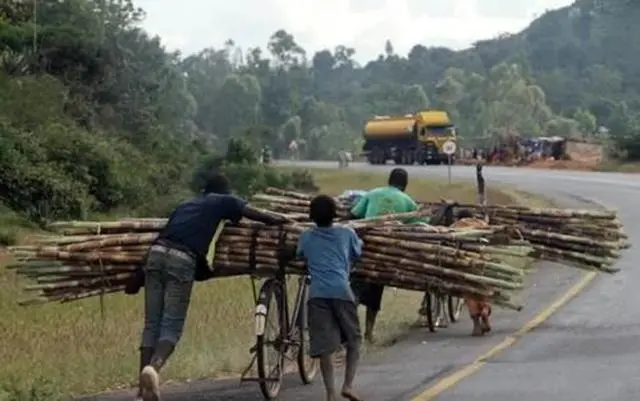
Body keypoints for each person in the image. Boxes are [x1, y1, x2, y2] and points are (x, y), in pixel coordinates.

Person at [135, 173, 288, 401]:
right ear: (224, 192)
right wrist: (281, 221)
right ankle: (153, 369)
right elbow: (256, 214)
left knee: (151, 324)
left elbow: (172, 234)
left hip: (155, 256)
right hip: (181, 260)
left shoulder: (186, 204)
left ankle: (141, 390)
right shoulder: (222, 200)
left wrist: (138, 278)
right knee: (171, 325)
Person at [296, 195, 363, 401]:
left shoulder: (306, 236)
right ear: (335, 215)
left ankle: (330, 394)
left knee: (326, 347)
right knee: (354, 340)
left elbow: (299, 254)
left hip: (317, 294)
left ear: (312, 216)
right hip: (342, 292)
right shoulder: (347, 233)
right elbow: (357, 252)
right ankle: (348, 386)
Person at [349, 167, 421, 343]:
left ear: (389, 180)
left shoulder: (372, 193)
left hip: (365, 247)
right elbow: (418, 224)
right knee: (375, 291)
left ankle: (349, 329)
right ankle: (368, 333)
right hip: (385, 251)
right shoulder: (407, 201)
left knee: (356, 287)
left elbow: (354, 214)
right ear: (405, 184)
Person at [451, 209, 493, 336]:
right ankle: (485, 310)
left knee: (469, 292)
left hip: (465, 262)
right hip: (481, 261)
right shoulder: (481, 224)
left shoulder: (455, 227)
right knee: (484, 290)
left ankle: (476, 324)